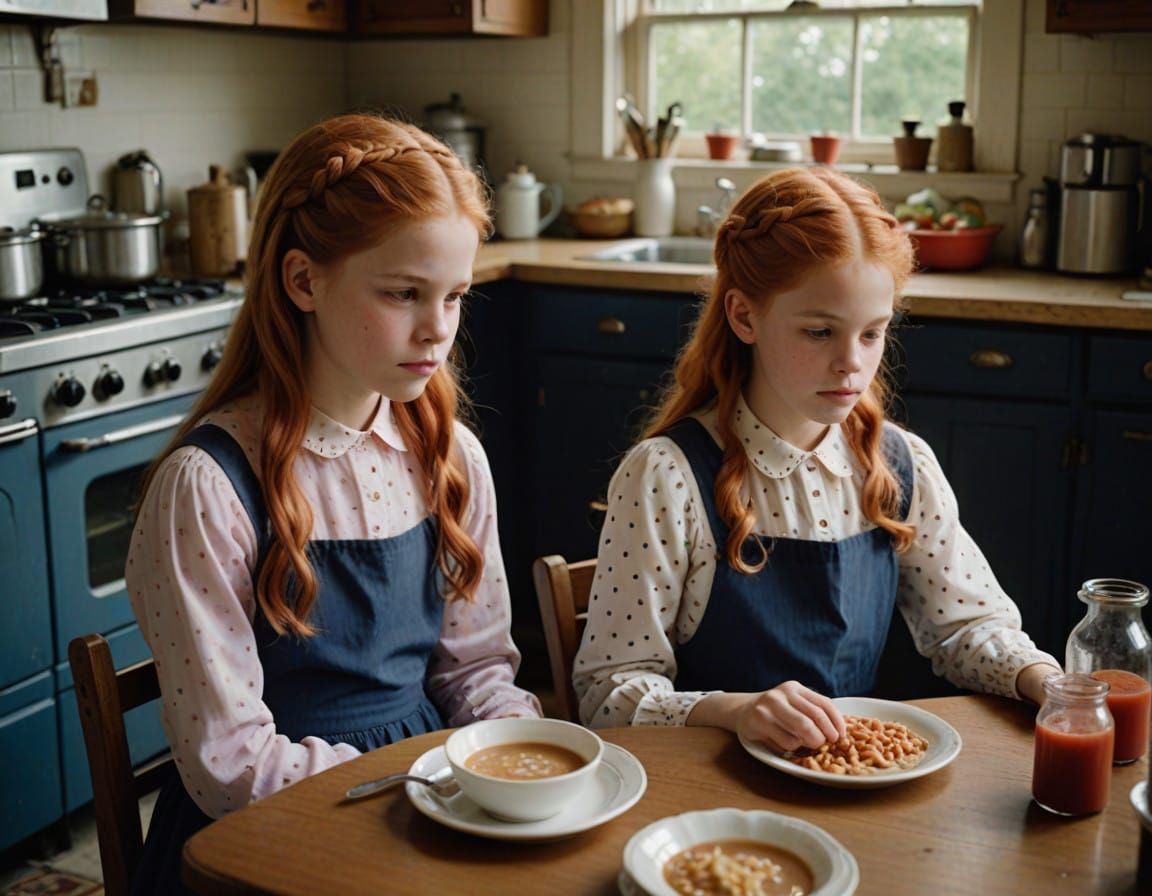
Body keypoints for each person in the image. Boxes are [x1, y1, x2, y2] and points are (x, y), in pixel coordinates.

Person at [126, 113, 540, 893]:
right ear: (303, 280)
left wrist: (518, 754)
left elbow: (475, 669)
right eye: (404, 293)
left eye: (455, 297)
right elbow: (229, 763)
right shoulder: (209, 486)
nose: (437, 330)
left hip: (425, 801)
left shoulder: (451, 459)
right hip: (264, 838)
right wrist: (420, 783)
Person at [572, 166, 1061, 754]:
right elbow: (607, 695)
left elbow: (967, 626)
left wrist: (1047, 682)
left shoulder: (902, 465)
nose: (851, 364)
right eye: (819, 332)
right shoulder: (665, 476)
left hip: (851, 787)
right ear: (744, 316)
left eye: (873, 333)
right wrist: (735, 711)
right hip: (707, 802)